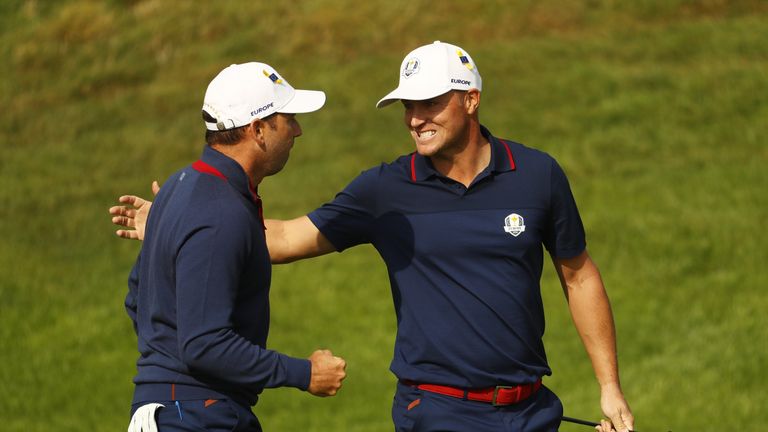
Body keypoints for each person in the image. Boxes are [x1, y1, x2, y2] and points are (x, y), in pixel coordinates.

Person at [112, 42, 634, 432]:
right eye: (408, 105)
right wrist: (177, 227)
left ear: (471, 100)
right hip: (436, 412)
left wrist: (608, 388)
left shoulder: (538, 176)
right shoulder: (386, 190)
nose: (415, 117)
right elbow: (288, 238)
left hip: (532, 411)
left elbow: (579, 275)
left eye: (429, 102)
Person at [119, 62, 347, 432]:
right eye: (288, 118)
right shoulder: (220, 211)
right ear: (258, 130)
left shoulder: (182, 187)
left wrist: (166, 366)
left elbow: (137, 297)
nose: (298, 130)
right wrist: (304, 373)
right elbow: (204, 344)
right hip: (197, 416)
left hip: (172, 409)